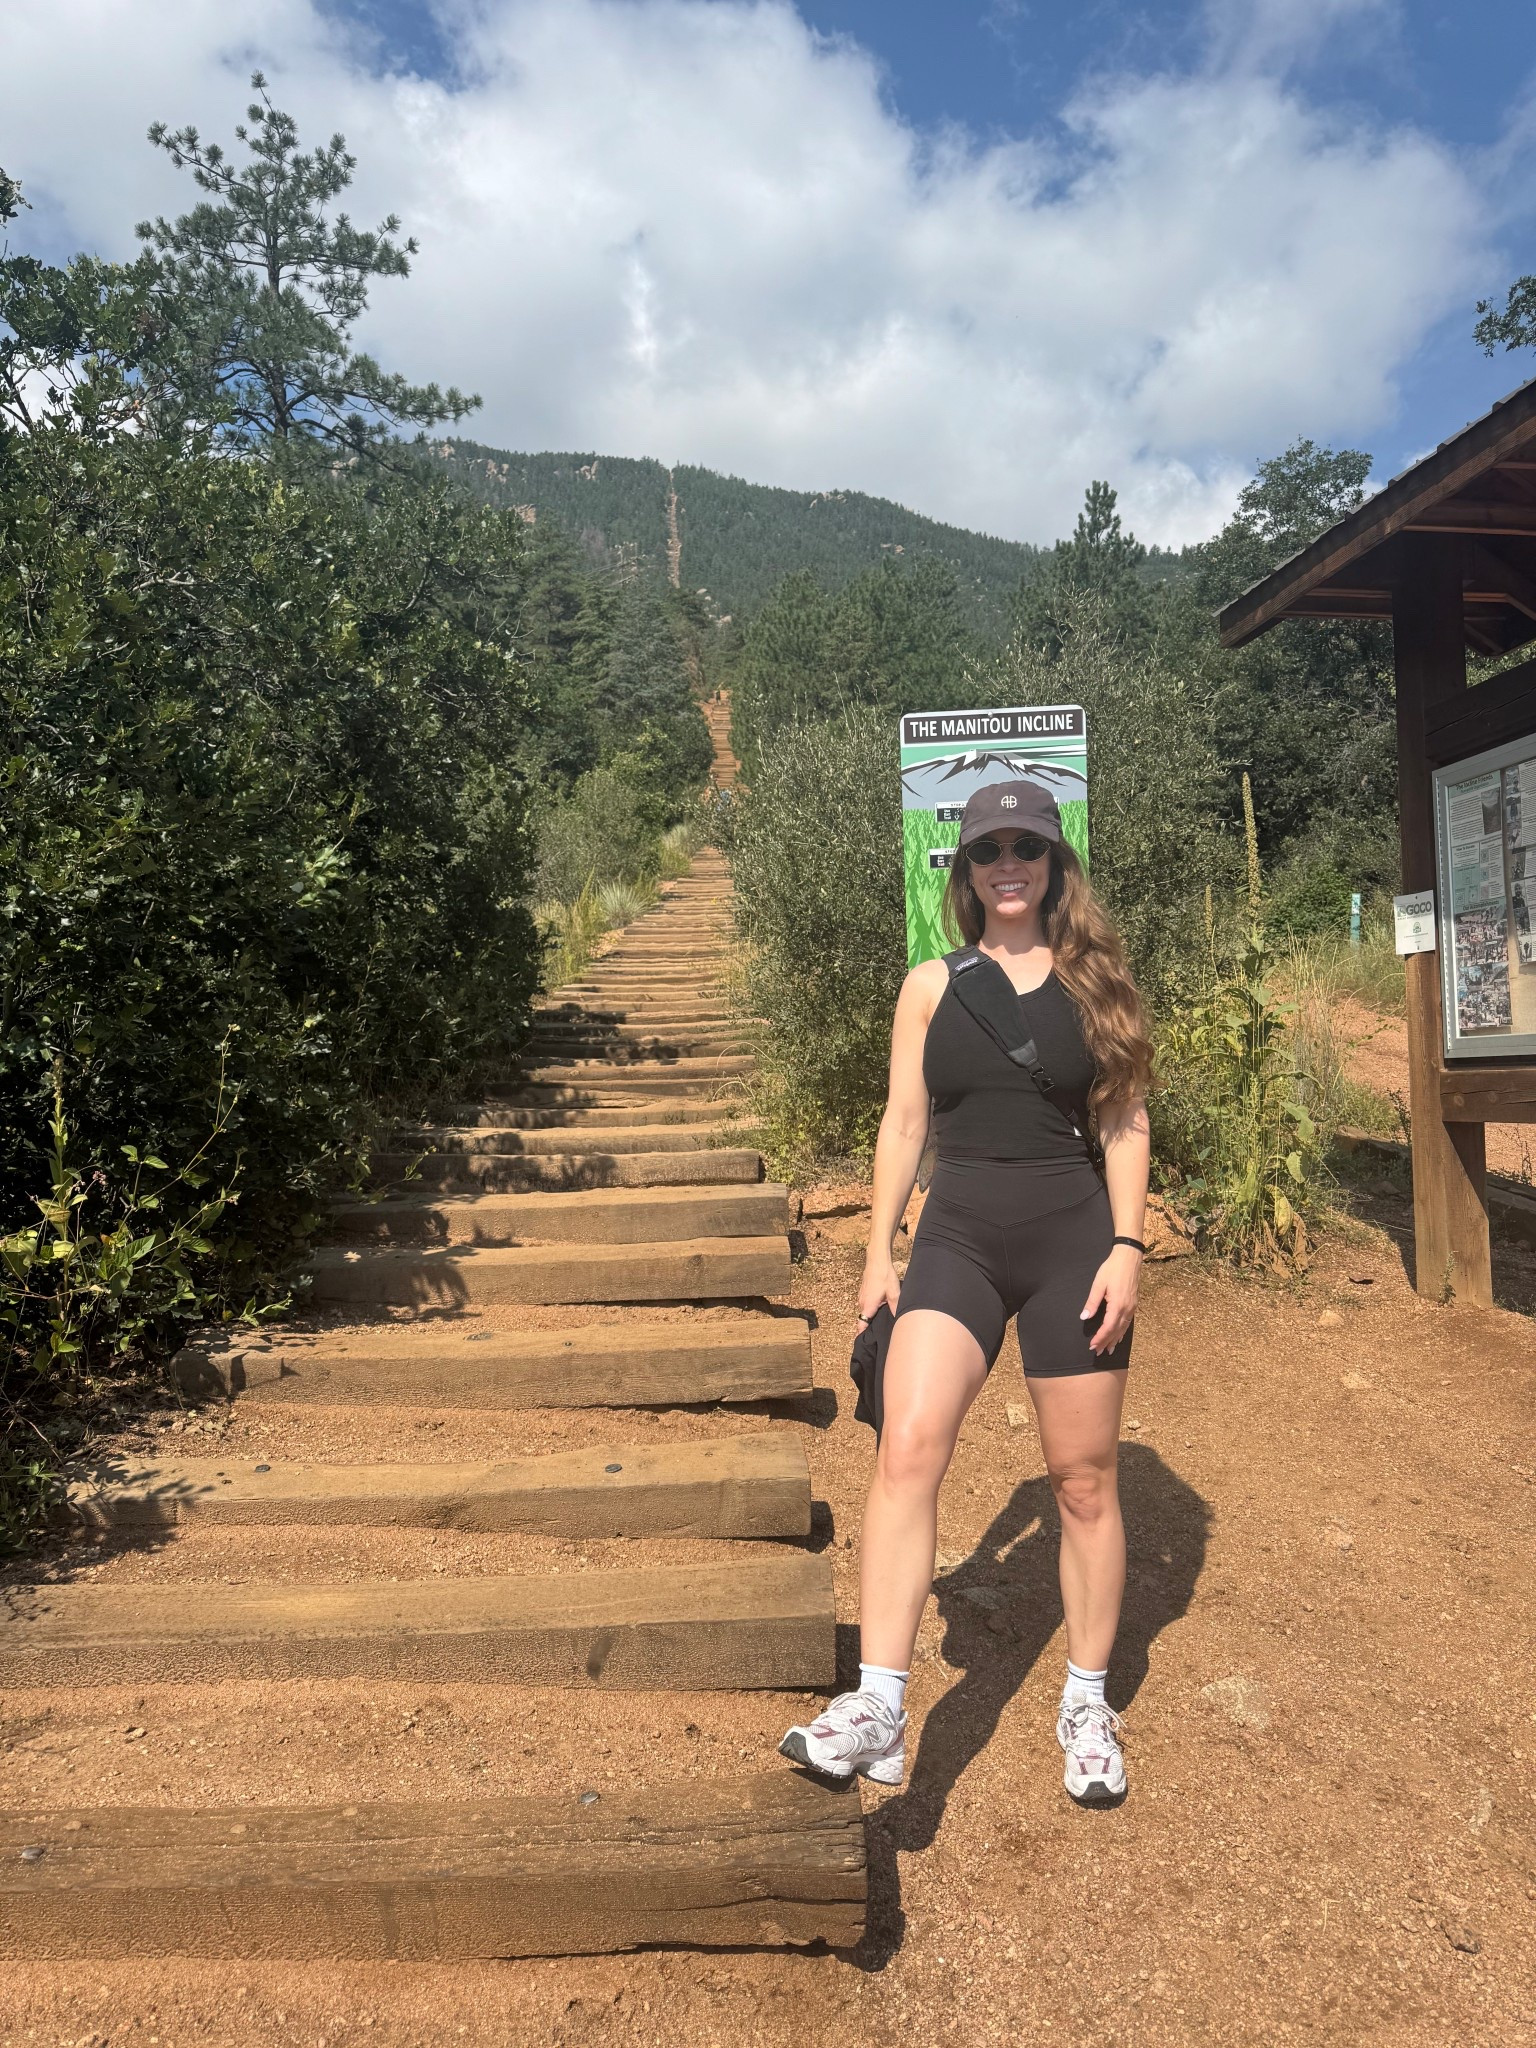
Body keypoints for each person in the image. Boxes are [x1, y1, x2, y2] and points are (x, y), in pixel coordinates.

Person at [780, 778, 1153, 1805]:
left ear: (1053, 863)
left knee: (1081, 1480)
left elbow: (1122, 1121)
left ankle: (1086, 1699)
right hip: (958, 1235)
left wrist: (1128, 1244)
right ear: (966, 869)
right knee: (906, 1442)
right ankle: (880, 1705)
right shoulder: (930, 983)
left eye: (1025, 847)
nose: (1007, 864)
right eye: (987, 848)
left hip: (1073, 1239)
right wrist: (877, 1248)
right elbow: (905, 1123)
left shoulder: (1097, 983)